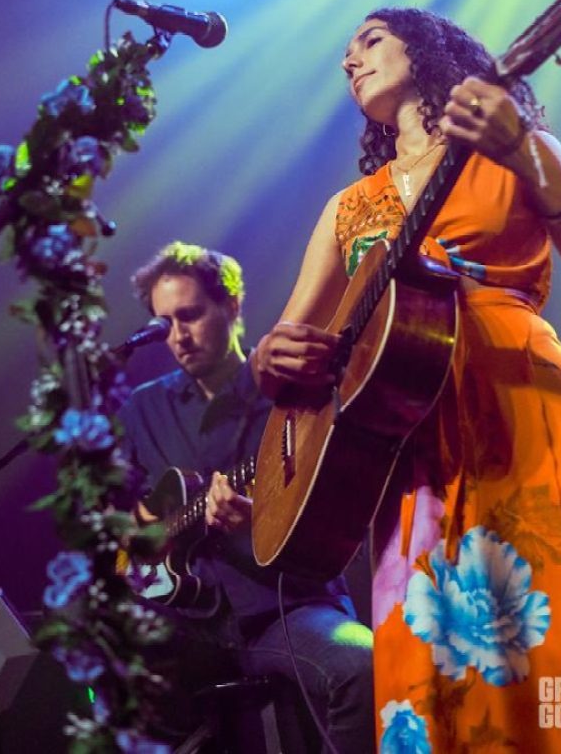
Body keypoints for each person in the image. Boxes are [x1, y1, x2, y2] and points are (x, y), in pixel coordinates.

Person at [252, 7, 561, 752]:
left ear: (428, 50)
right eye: (343, 52)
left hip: (523, 402)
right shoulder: (348, 209)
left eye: (369, 39)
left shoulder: (507, 148)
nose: (350, 61)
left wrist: (524, 145)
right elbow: (286, 336)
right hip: (404, 441)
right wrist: (269, 356)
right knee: (439, 661)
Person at [118, 241, 374, 753]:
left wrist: (257, 520)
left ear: (232, 305)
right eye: (164, 323)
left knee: (363, 666)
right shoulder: (142, 410)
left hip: (281, 609)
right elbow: (116, 521)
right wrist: (141, 532)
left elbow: (340, 519)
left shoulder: (293, 390)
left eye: (189, 315)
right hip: (185, 627)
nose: (178, 337)